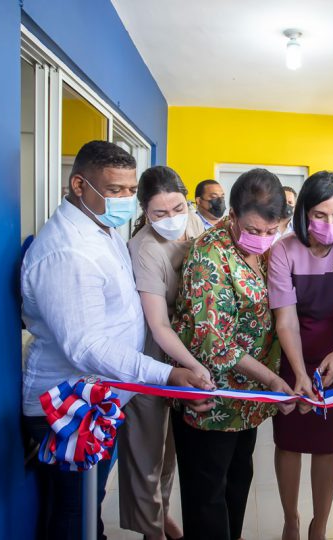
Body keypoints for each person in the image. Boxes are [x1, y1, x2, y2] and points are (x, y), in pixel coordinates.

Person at [20, 141, 203, 539]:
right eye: (114, 190)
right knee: (73, 515)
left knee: (88, 504)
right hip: (65, 408)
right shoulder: (68, 252)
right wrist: (166, 375)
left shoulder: (101, 231)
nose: (124, 198)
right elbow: (85, 347)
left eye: (129, 189)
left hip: (97, 399)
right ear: (79, 185)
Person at [171, 168, 296, 540]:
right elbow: (216, 343)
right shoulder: (209, 255)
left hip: (248, 399)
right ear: (233, 215)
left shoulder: (271, 248)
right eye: (253, 230)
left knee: (238, 480)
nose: (262, 239)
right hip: (212, 398)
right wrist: (273, 380)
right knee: (207, 495)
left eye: (271, 231)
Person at [269, 171, 333, 540]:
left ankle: (318, 525)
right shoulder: (284, 250)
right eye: (320, 215)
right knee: (289, 441)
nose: (329, 224)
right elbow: (286, 320)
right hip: (293, 356)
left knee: (328, 445)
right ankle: (291, 520)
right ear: (304, 212)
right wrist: (298, 374)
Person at [118, 166, 212, 540]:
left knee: (171, 447)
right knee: (147, 452)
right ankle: (151, 530)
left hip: (187, 349)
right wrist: (195, 364)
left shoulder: (197, 229)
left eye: (177, 208)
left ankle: (164, 515)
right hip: (154, 355)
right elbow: (158, 325)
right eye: (159, 213)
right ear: (144, 211)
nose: (172, 219)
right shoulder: (144, 248)